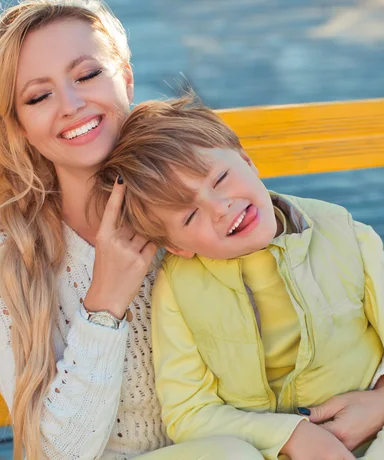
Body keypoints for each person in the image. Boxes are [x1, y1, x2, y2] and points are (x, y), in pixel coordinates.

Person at [0, 0, 265, 458]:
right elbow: (57, 451)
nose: (71, 104)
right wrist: (105, 303)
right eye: (38, 96)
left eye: (86, 75)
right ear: (19, 126)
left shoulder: (205, 195)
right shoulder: (7, 248)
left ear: (125, 77)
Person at [91, 96, 384, 459]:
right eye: (188, 217)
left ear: (246, 160)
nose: (220, 207)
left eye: (221, 178)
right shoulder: (179, 288)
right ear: (177, 246)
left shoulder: (347, 238)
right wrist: (291, 436)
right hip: (265, 449)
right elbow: (188, 413)